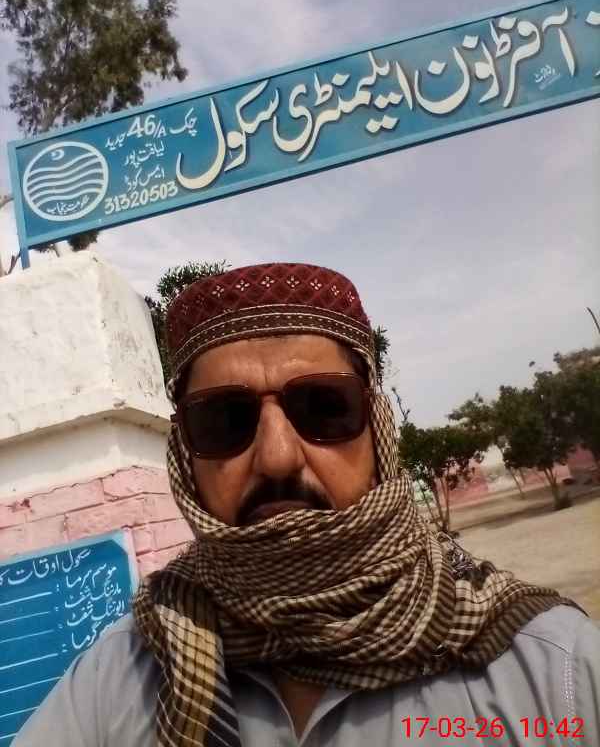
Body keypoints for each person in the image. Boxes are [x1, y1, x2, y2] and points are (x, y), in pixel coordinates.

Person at [13, 263, 600, 746]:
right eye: (225, 419)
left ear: (378, 432)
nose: (277, 457)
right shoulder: (117, 681)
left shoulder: (556, 674)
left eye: (323, 407)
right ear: (185, 457)